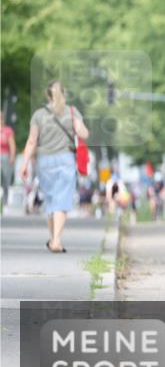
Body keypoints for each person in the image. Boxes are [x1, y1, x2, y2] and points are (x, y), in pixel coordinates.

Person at [19, 80, 89, 253]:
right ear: (63, 93)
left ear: (47, 95)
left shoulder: (38, 115)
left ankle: (53, 239)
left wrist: (25, 163)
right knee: (62, 202)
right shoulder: (71, 112)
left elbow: (32, 141)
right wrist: (77, 126)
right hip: (65, 160)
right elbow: (83, 133)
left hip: (44, 162)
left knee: (51, 202)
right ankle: (56, 240)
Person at [1, 108, 16, 210]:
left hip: (5, 157)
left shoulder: (7, 131)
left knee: (6, 179)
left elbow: (12, 145)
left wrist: (12, 157)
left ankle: (5, 198)